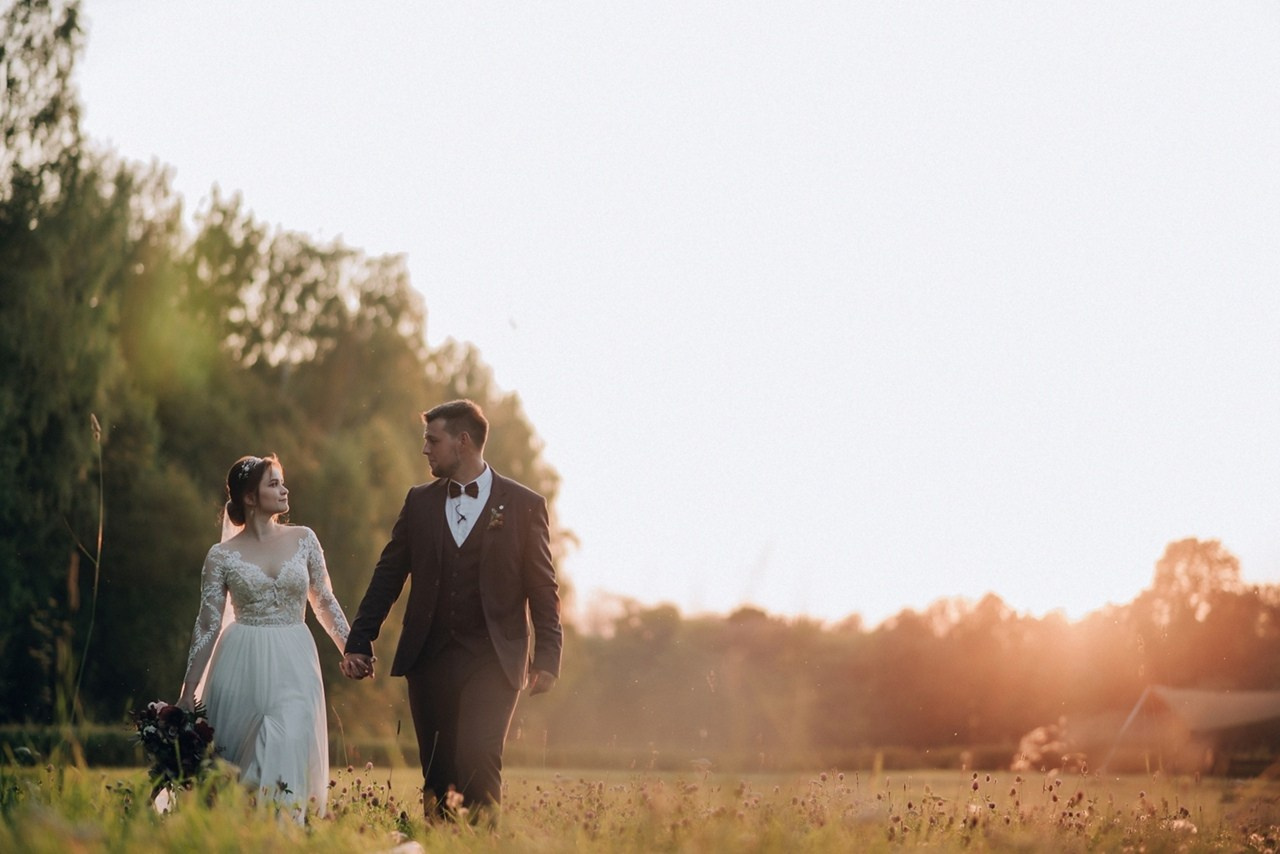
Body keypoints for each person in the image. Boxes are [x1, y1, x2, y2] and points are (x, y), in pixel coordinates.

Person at [341, 399, 562, 820]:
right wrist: (360, 640)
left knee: (478, 760)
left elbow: (543, 587)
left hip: (495, 659)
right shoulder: (419, 502)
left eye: (432, 439)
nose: (425, 449)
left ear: (463, 441)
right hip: (430, 657)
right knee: (439, 773)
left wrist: (548, 655)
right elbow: (388, 574)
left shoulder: (523, 505)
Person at [178, 454, 350, 820]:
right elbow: (208, 624)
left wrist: (352, 649)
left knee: (285, 741)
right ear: (250, 498)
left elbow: (324, 601)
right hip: (240, 663)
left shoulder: (304, 539)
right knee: (241, 765)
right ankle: (243, 835)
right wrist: (187, 693)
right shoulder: (220, 556)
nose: (284, 489)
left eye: (281, 482)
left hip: (294, 661)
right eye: (273, 484)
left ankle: (283, 833)